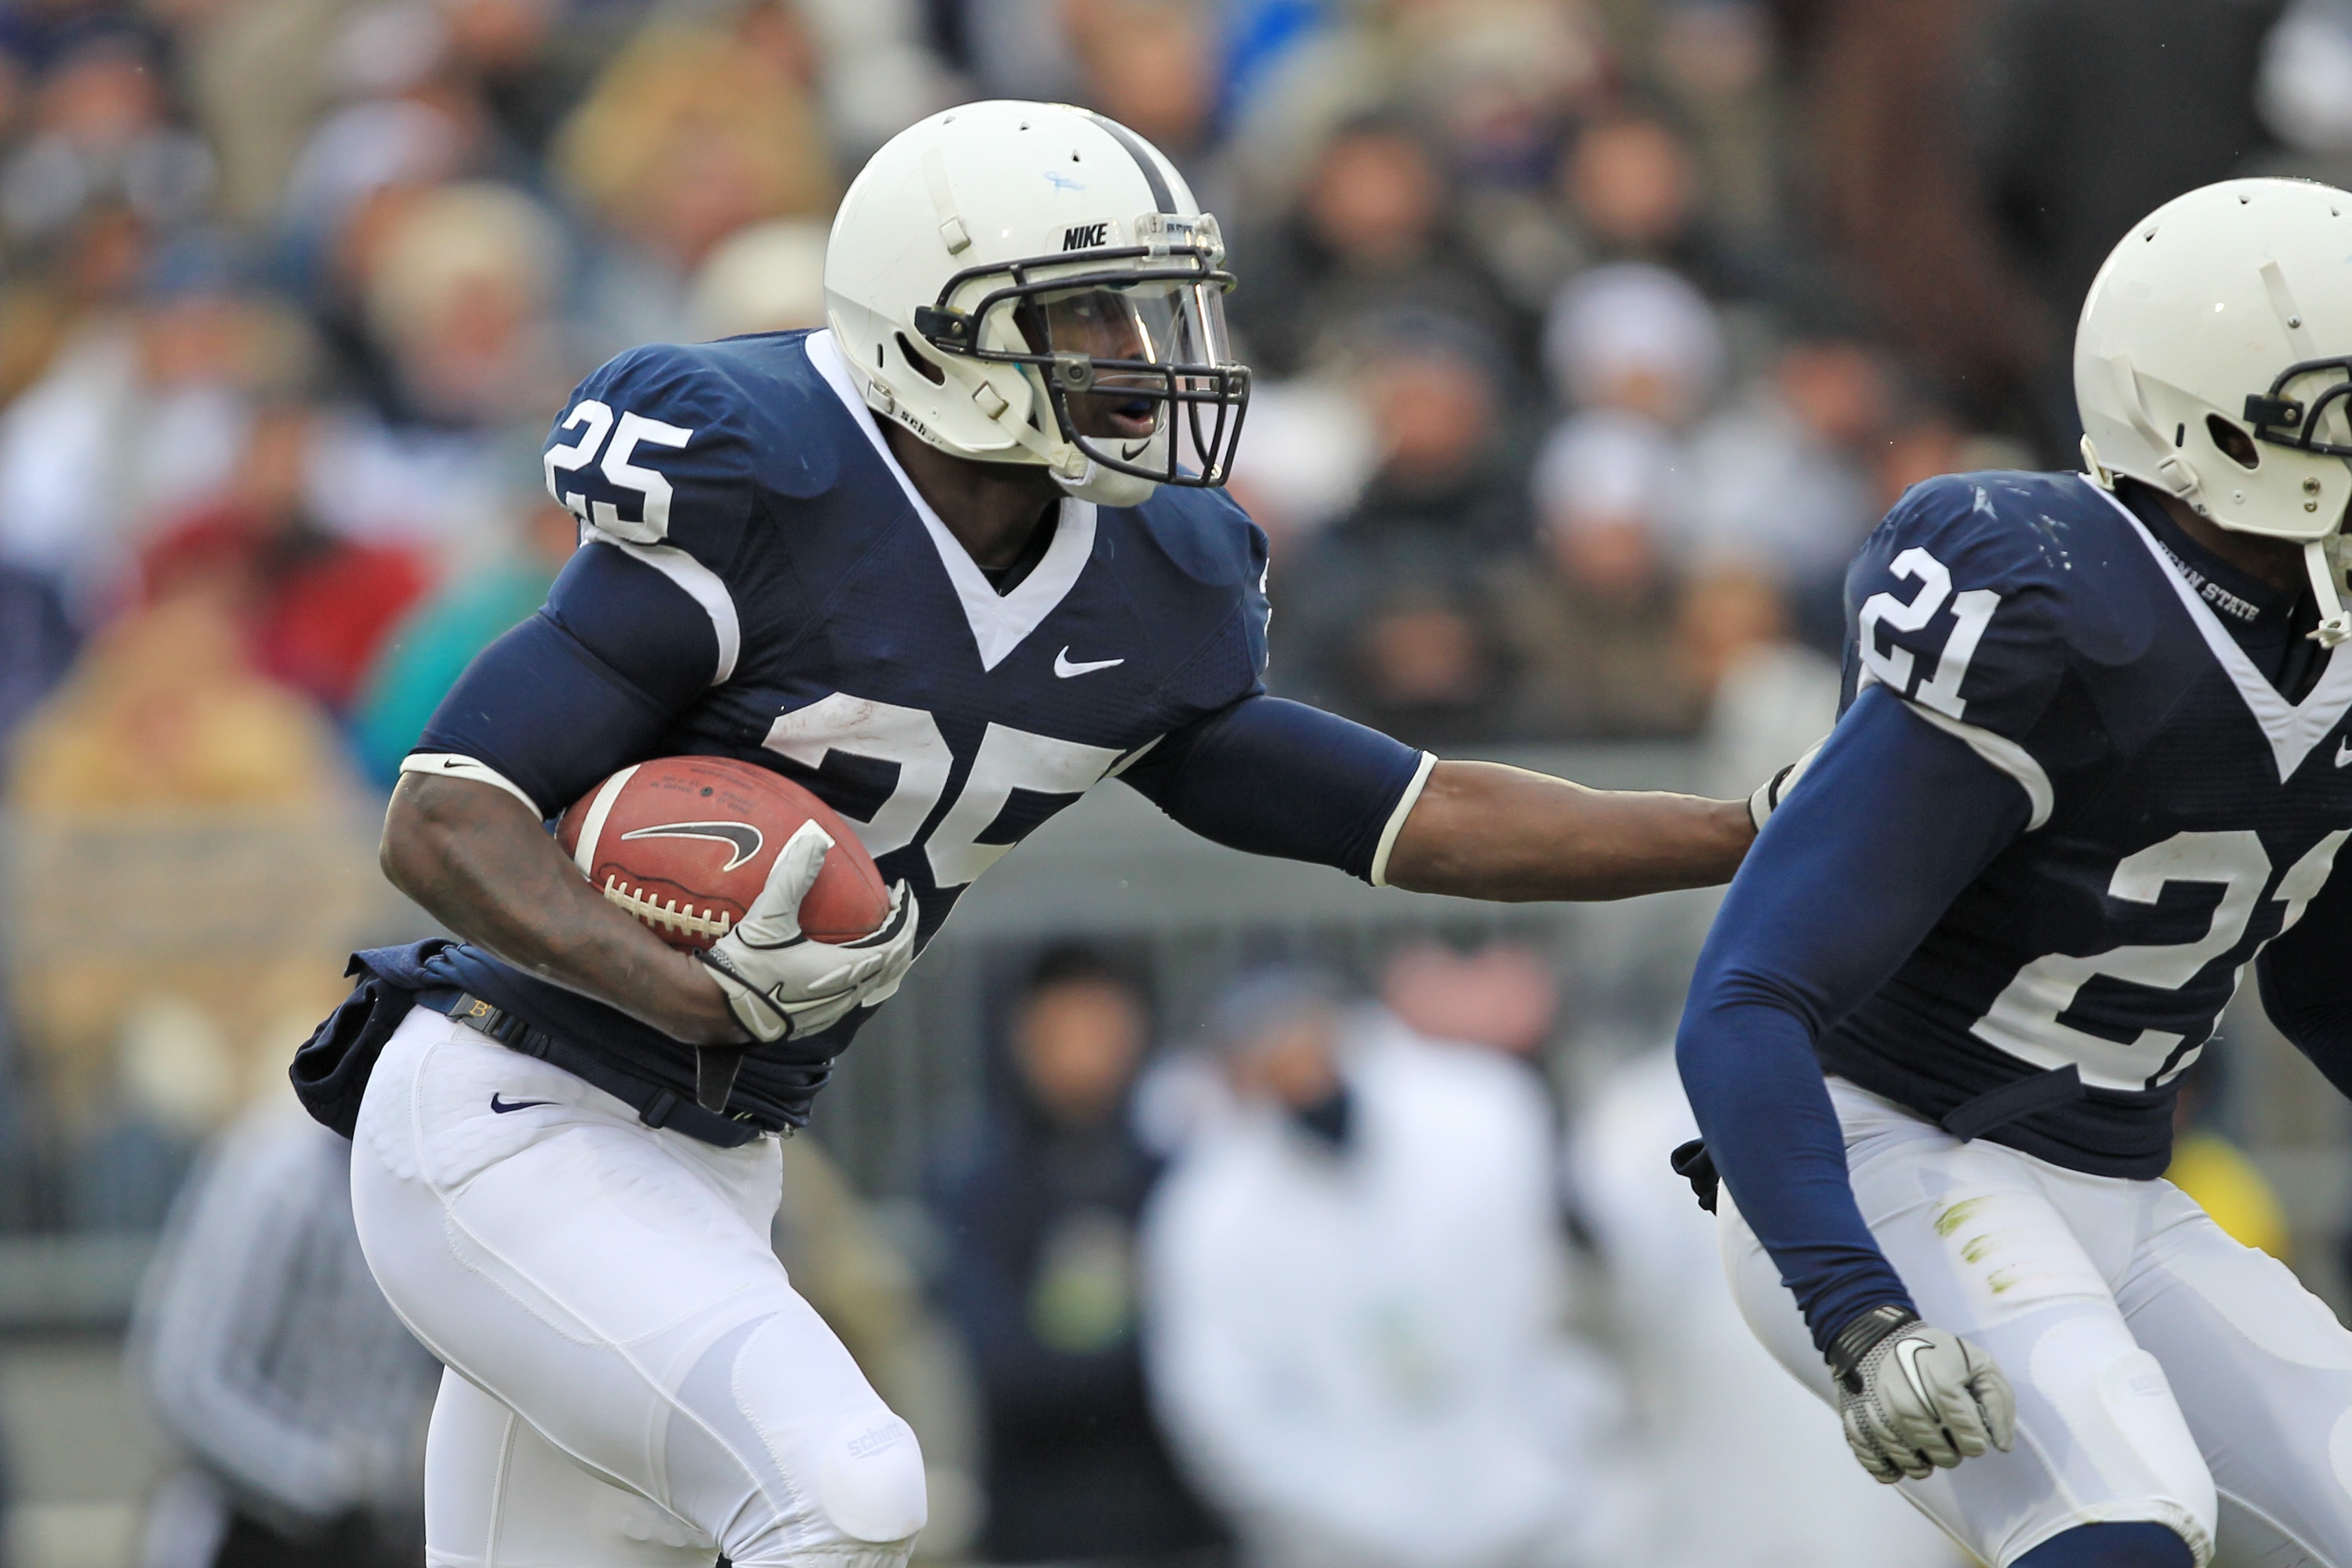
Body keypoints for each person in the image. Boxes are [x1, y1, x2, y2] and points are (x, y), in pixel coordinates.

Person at [336, 100, 1784, 1568]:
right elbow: (446, 816)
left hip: (715, 1157)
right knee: (847, 1493)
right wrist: (683, 991)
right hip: (514, 1113)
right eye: (1088, 314)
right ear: (929, 327)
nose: (1141, 358)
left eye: (1150, 311)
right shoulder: (764, 482)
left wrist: (1749, 828)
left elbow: (1420, 813)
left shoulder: (1149, 580)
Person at [1675, 177, 2352, 1568]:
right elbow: (1745, 995)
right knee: (2126, 1513)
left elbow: (2331, 992)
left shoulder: (2325, 644)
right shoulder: (2055, 604)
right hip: (1891, 1154)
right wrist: (1855, 1306)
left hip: (2120, 1187)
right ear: (2218, 419)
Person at [1142, 969, 1635, 1568]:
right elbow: (1223, 1407)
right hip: (1349, 1544)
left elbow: (1578, 1295)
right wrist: (1365, 1516)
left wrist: (1562, 1447)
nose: (1298, 1072)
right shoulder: (1209, 1214)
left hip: (1545, 1517)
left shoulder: (1481, 1113)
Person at [927, 943, 1225, 1566]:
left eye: (1102, 1023)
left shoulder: (1186, 1169)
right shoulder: (973, 1180)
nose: (1084, 1049)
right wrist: (1158, 1355)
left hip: (1187, 1519)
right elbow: (1005, 1365)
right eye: (1059, 1028)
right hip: (1036, 1524)